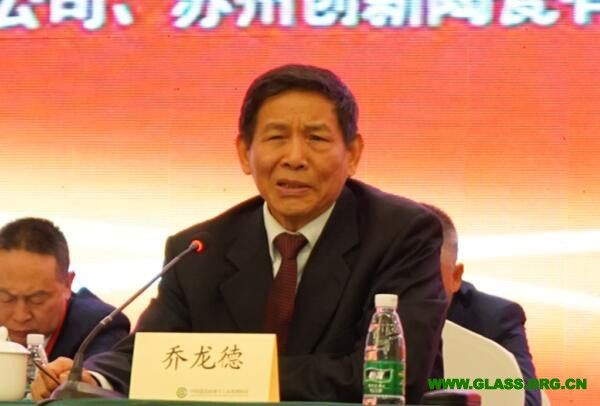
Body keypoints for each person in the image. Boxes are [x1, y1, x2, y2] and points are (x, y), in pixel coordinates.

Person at [34, 64, 447, 403]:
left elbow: (388, 376)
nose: (295, 158)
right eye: (276, 138)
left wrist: (231, 376)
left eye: (317, 138)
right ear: (244, 154)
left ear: (352, 154)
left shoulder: (402, 235)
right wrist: (91, 376)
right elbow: (151, 354)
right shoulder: (199, 250)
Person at [421, 203, 541, 406]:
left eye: (426, 277)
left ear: (456, 276)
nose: (411, 288)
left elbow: (525, 401)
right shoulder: (373, 311)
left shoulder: (496, 318)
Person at [0, 217, 130, 361]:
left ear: (67, 284)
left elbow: (97, 371)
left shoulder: (99, 326)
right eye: (6, 298)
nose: (20, 316)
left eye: (37, 299)